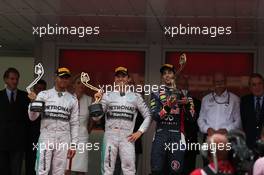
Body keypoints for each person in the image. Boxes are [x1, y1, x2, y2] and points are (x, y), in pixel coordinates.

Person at [93, 66, 151, 175]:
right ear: (115, 79)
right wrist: (96, 102)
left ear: (128, 79)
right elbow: (96, 117)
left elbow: (148, 115)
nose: (121, 79)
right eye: (118, 76)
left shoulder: (136, 96)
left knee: (129, 170)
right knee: (108, 170)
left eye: (123, 76)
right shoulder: (107, 95)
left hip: (127, 137)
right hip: (110, 136)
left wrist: (140, 131)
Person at [28, 67, 79, 175]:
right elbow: (33, 117)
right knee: (42, 170)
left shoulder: (73, 99)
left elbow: (74, 123)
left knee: (59, 172)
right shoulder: (44, 95)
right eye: (61, 77)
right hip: (47, 135)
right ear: (55, 78)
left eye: (66, 78)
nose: (64, 80)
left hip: (64, 137)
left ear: (69, 80)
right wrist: (33, 102)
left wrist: (74, 144)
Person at [150, 64, 196, 175]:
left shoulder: (184, 94)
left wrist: (187, 105)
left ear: (174, 75)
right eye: (164, 73)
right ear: (162, 77)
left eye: (169, 72)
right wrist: (167, 107)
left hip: (177, 135)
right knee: (157, 169)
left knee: (176, 170)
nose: (167, 75)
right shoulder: (156, 93)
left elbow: (193, 117)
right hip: (161, 133)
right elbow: (155, 116)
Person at [0, 67, 30, 175]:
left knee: (16, 170)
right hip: (2, 141)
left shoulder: (25, 96)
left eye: (17, 79)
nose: (15, 81)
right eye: (12, 79)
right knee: (3, 170)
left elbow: (29, 119)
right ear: (5, 80)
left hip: (19, 141)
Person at [198, 72, 241, 137]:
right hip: (209, 137)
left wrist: (227, 129)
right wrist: (207, 129)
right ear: (213, 83)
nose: (219, 84)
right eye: (217, 82)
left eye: (222, 81)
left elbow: (239, 121)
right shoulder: (206, 99)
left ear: (226, 82)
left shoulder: (235, 99)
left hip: (228, 138)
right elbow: (201, 119)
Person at [65, 74, 93, 175]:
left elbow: (92, 120)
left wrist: (86, 130)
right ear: (73, 85)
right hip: (68, 136)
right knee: (66, 168)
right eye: (78, 83)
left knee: (81, 169)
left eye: (83, 83)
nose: (81, 85)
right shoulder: (68, 98)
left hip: (83, 137)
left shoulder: (89, 100)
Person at [177, 75, 201, 175]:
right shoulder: (171, 102)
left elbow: (197, 123)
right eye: (181, 86)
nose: (183, 88)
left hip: (190, 144)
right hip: (174, 143)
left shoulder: (196, 103)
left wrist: (188, 106)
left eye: (185, 85)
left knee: (189, 171)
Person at [26, 79, 47, 175]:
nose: (40, 91)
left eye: (43, 89)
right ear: (34, 89)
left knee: (43, 162)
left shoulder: (48, 101)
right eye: (38, 88)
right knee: (31, 159)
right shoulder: (28, 99)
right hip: (31, 136)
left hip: (45, 136)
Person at [241, 73, 264, 149]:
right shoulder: (244, 101)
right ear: (250, 87)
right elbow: (242, 123)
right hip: (249, 146)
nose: (257, 87)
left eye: (259, 84)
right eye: (254, 85)